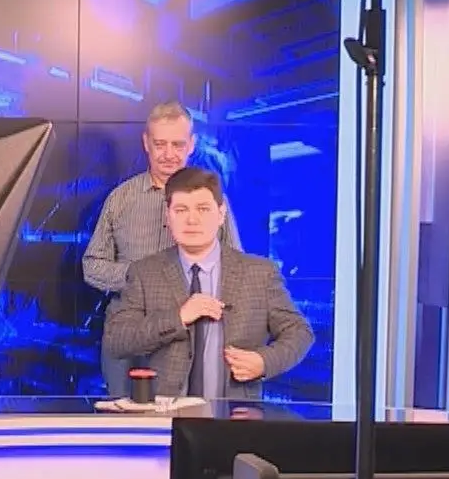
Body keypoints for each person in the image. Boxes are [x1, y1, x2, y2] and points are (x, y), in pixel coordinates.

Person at [103, 167, 312, 401]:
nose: (192, 220)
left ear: (221, 214)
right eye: (181, 210)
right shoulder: (144, 273)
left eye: (203, 209)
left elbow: (299, 332)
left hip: (234, 417)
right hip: (163, 417)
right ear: (167, 217)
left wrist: (264, 362)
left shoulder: (260, 273)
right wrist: (178, 317)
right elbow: (117, 340)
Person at [83, 102, 239, 395]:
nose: (169, 154)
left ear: (191, 144)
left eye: (177, 145)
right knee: (127, 419)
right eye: (160, 144)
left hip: (191, 339)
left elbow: (235, 267)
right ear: (146, 143)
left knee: (189, 419)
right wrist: (142, 279)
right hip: (128, 337)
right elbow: (92, 266)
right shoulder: (121, 199)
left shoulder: (213, 202)